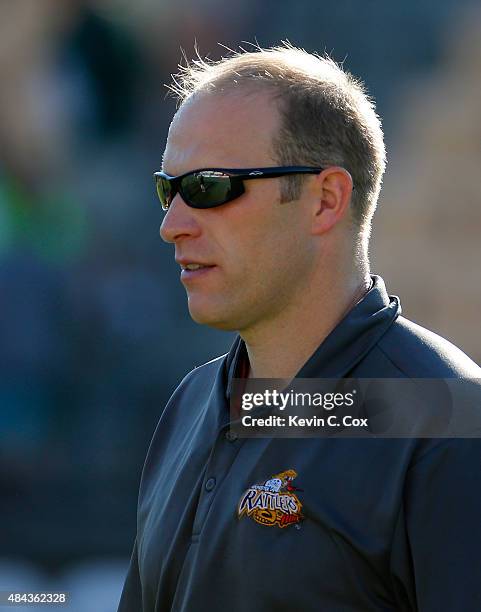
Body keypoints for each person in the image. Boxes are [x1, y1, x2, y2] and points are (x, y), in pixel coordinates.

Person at [117, 43, 481, 611]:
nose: (172, 225)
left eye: (209, 187)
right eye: (170, 188)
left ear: (325, 200)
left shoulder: (449, 420)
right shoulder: (189, 404)